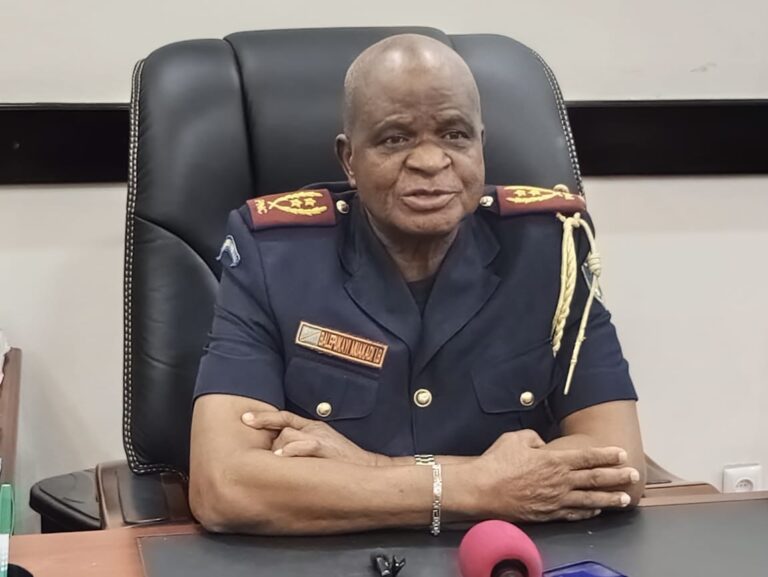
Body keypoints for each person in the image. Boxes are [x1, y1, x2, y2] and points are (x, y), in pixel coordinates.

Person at [189, 34, 645, 536]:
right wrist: (475, 487)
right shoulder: (273, 256)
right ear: (348, 159)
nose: (430, 162)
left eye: (455, 135)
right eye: (395, 139)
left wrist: (374, 468)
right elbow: (223, 486)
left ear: (481, 144)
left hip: (508, 555)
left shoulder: (551, 246)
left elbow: (619, 462)